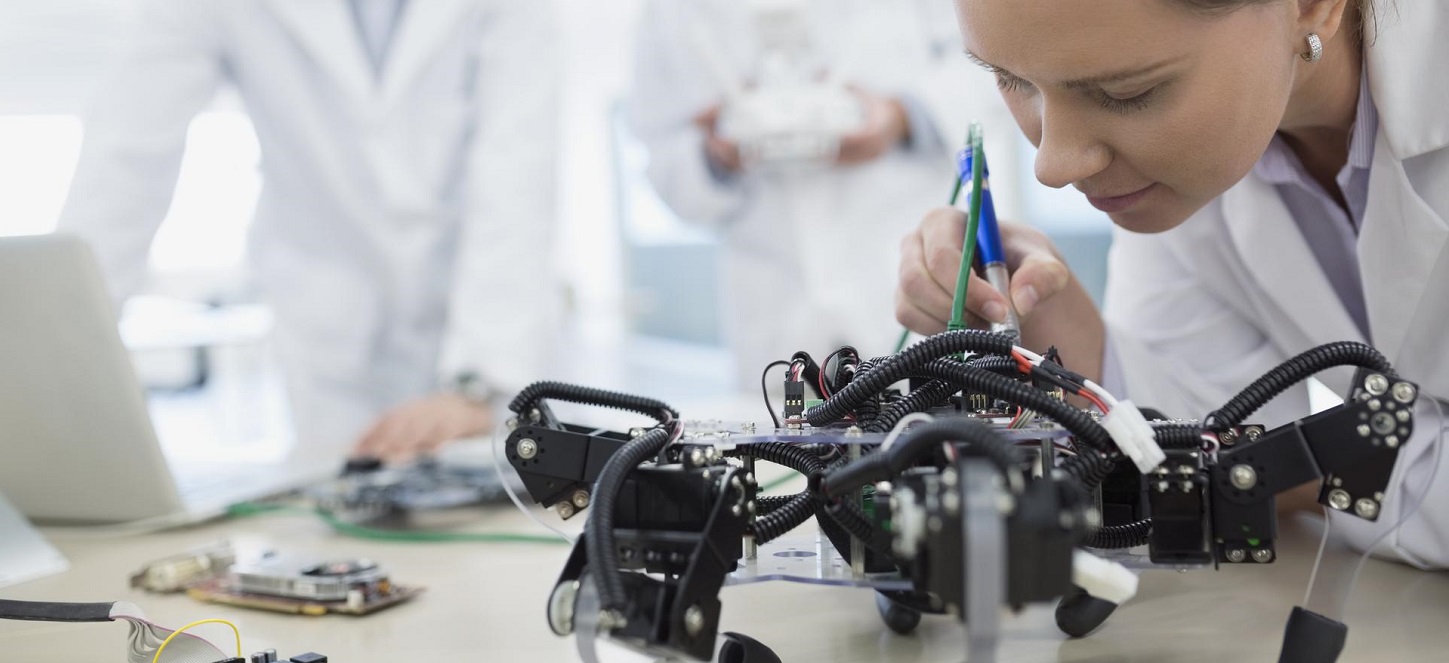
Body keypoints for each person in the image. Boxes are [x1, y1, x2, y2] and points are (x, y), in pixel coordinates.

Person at [897, 0, 1448, 569]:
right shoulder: (1200, 157)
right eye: (1011, 79)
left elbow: (1241, 459)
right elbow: (1194, 432)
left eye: (1124, 93)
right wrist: (1043, 318)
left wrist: (1297, 472)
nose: (1053, 166)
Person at [58, 0, 559, 463]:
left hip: (489, 324)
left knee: (495, 498)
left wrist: (479, 382)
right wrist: (61, 351)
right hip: (331, 338)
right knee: (336, 502)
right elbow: (124, 166)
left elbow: (514, 177)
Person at [629, 0, 1013, 386]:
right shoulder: (669, 12)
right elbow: (659, 151)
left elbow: (997, 66)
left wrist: (901, 116)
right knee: (780, 420)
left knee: (921, 408)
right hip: (772, 295)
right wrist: (718, 153)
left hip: (893, 261)